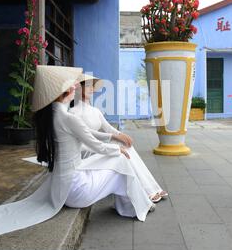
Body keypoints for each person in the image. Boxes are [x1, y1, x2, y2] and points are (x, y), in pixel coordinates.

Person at [0, 66, 154, 250]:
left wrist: (114, 138)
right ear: (63, 92)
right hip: (76, 191)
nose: (76, 86)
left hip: (63, 186)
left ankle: (133, 204)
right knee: (121, 162)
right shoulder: (69, 117)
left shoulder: (53, 114)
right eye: (71, 84)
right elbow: (95, 144)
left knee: (117, 159)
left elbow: (91, 135)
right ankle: (133, 207)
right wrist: (117, 149)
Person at [70, 73, 168, 203]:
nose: (91, 89)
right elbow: (84, 140)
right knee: (122, 151)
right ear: (78, 88)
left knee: (127, 147)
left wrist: (121, 136)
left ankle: (151, 188)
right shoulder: (72, 113)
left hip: (99, 147)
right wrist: (112, 144)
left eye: (92, 86)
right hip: (88, 152)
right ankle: (148, 190)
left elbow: (109, 129)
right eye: (87, 86)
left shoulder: (95, 111)